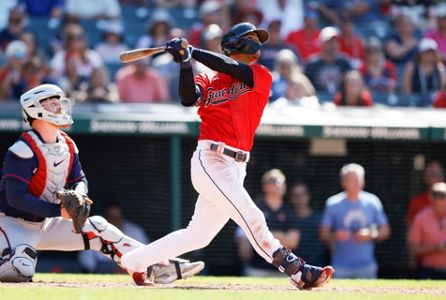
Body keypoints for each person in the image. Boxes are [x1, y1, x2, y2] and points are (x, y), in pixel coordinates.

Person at [121, 22, 334, 290]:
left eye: (258, 38)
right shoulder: (208, 79)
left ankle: (135, 261)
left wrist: (191, 51)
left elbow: (231, 68)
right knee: (252, 216)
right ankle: (297, 270)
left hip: (237, 165)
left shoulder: (260, 74)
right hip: (210, 159)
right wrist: (185, 63)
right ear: (234, 43)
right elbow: (188, 98)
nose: (257, 42)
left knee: (198, 235)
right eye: (251, 37)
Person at [0, 84, 204, 285]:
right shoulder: (22, 149)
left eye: (58, 102)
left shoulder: (68, 145)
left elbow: (79, 179)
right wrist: (58, 210)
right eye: (52, 103)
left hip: (46, 222)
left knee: (99, 227)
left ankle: (158, 265)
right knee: (20, 269)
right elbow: (15, 198)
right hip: (12, 224)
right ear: (37, 110)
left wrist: (79, 195)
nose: (59, 107)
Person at [320, 163, 390, 279]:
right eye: (352, 179)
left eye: (359, 178)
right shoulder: (333, 203)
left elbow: (386, 231)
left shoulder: (373, 202)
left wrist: (371, 235)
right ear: (343, 182)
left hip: (367, 267)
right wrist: (336, 235)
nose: (357, 181)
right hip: (340, 267)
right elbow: (323, 234)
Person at [235, 169, 299, 276]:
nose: (279, 184)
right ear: (264, 186)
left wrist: (261, 235)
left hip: (282, 270)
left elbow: (292, 242)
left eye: (282, 181)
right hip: (256, 269)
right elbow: (243, 237)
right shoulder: (255, 208)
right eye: (273, 180)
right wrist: (281, 236)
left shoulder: (289, 211)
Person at [78, 203, 149, 273]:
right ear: (106, 218)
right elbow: (86, 260)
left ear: (122, 216)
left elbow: (145, 253)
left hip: (131, 266)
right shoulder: (95, 231)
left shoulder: (134, 231)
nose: (115, 220)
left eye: (118, 216)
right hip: (104, 268)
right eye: (112, 217)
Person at [408, 182, 446, 279]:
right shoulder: (421, 218)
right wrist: (437, 247)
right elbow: (414, 249)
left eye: (443, 195)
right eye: (436, 194)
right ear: (430, 198)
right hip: (429, 271)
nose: (440, 198)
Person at [304, 26, 352, 96]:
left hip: (340, 102)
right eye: (330, 42)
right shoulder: (312, 64)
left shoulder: (344, 62)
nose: (334, 44)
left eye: (335, 41)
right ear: (321, 43)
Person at [289, 182, 326, 267]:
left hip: (316, 267)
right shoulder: (287, 219)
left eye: (302, 194)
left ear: (308, 196)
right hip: (293, 269)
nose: (299, 198)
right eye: (296, 195)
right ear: (291, 198)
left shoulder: (319, 219)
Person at [402, 38, 446, 107]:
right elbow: (406, 89)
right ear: (420, 53)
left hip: (434, 102)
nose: (429, 55)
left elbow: (442, 89)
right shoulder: (411, 67)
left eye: (432, 52)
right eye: (426, 52)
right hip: (415, 102)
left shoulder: (439, 68)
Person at [407, 161, 446, 226]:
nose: (438, 178)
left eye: (440, 175)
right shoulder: (417, 202)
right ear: (426, 178)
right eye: (434, 175)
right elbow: (411, 229)